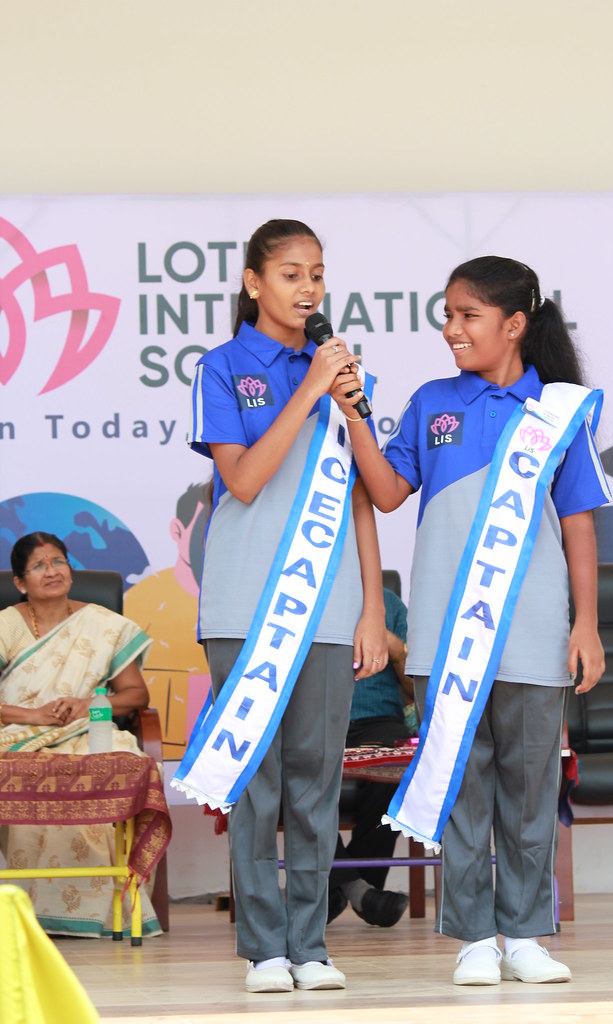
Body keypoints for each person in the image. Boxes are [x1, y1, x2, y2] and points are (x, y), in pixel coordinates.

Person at [331, 256, 611, 985]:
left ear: (513, 324)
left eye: (467, 316)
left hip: (533, 629)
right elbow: (387, 491)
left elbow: (578, 524)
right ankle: (473, 939)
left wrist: (586, 626)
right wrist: (355, 415)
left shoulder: (557, 410)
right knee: (459, 785)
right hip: (442, 633)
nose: (451, 329)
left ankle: (524, 934)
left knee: (526, 787)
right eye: (446, 315)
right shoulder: (431, 402)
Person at [184, 219, 387, 993]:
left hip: (330, 607)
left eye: (317, 275)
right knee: (255, 779)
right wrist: (309, 390)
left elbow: (365, 500)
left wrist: (372, 605)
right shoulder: (224, 367)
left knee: (316, 782)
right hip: (246, 606)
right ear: (253, 283)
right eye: (292, 274)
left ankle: (311, 942)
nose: (308, 289)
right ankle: (264, 946)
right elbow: (243, 480)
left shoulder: (342, 376)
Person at [0, 531, 161, 938]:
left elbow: (136, 695)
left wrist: (89, 703)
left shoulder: (104, 624)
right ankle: (30, 910)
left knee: (114, 765)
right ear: (20, 582)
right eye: (39, 566)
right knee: (31, 769)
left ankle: (104, 910)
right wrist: (35, 714)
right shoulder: (6, 626)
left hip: (89, 727)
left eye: (58, 561)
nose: (51, 571)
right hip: (18, 731)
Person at [328, 585, 413, 927]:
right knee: (300, 781)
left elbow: (414, 687)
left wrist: (396, 650)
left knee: (392, 779)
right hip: (317, 717)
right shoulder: (302, 593)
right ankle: (359, 891)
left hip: (379, 720)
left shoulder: (389, 604)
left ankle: (336, 891)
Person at [124, 482, 211, 759]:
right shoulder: (140, 602)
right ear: (177, 531)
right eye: (204, 528)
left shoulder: (249, 599)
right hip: (165, 756)